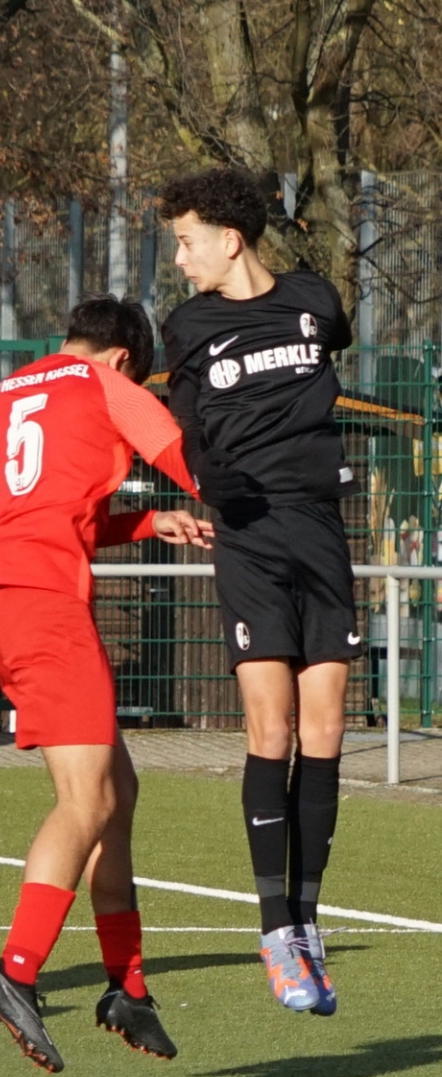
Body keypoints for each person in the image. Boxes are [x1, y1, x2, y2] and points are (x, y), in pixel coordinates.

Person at [0, 296, 213, 1073]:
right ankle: (15, 970)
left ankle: (127, 988)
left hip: (7, 600)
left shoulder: (12, 391)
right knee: (87, 802)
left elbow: (49, 511)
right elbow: (194, 461)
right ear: (123, 361)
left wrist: (146, 523)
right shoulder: (105, 385)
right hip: (46, 608)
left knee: (119, 792)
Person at [159, 166, 361, 1016]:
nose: (178, 258)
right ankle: (274, 928)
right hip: (249, 538)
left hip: (320, 530)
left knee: (326, 728)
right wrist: (208, 479)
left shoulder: (316, 302)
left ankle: (308, 922)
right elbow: (187, 430)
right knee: (270, 728)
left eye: (185, 240)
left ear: (230, 238)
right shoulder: (189, 326)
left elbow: (327, 361)